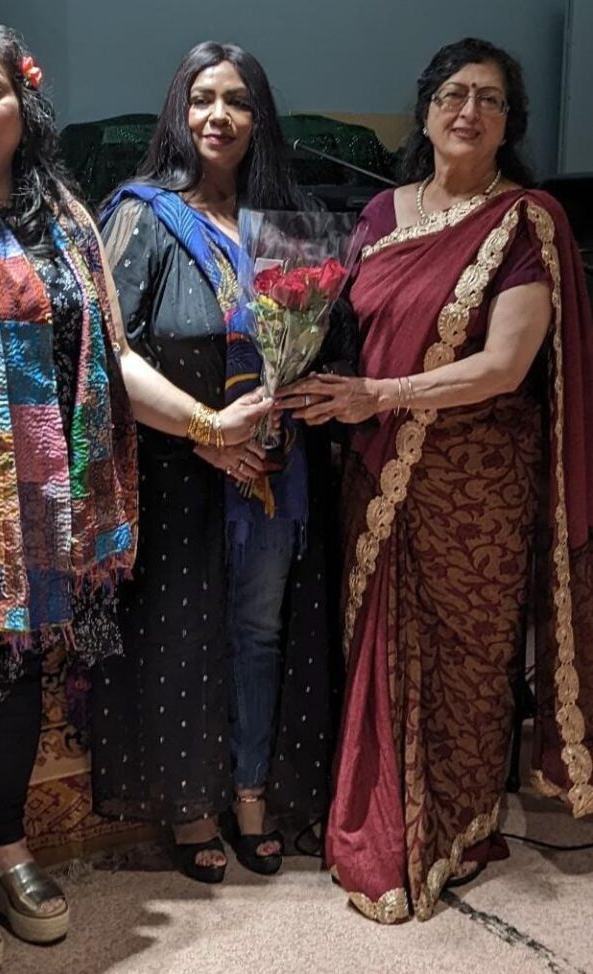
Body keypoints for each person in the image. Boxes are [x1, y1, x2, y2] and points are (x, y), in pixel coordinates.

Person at [0, 20, 267, 974]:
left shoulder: (63, 217)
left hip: (39, 497)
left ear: (27, 106)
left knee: (18, 666)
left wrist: (204, 422)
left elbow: (111, 357)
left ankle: (3, 840)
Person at [278, 37, 593, 922]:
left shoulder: (525, 220)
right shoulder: (378, 214)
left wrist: (377, 393)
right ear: (425, 111)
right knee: (375, 641)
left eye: (490, 100)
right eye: (454, 94)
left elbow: (503, 365)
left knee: (466, 658)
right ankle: (379, 817)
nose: (469, 111)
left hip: (475, 480)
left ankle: (453, 823)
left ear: (508, 125)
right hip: (372, 465)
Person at [91, 41, 349, 882]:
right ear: (179, 111)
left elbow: (321, 347)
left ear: (259, 118)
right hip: (178, 470)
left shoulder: (295, 224)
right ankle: (191, 805)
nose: (218, 117)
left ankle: (249, 793)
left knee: (259, 635)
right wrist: (209, 430)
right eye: (202, 99)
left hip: (276, 475)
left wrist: (282, 419)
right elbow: (108, 353)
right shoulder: (140, 215)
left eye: (237, 101)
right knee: (180, 635)